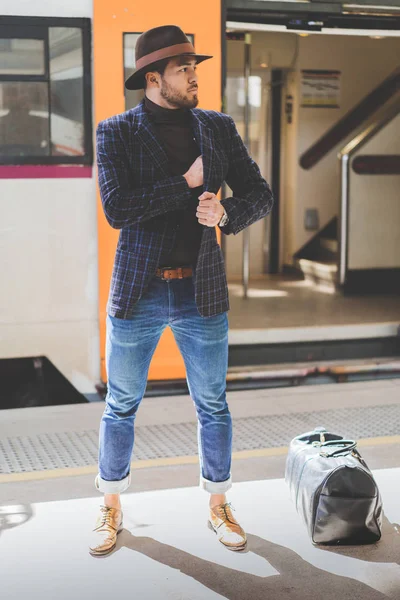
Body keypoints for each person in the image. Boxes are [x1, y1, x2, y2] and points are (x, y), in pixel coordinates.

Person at [89, 25, 273, 556]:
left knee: (213, 404)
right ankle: (110, 507)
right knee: (121, 405)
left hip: (202, 291)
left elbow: (259, 194)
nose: (195, 76)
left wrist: (226, 213)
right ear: (154, 78)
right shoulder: (116, 132)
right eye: (183, 69)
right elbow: (118, 209)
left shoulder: (217, 127)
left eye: (195, 67)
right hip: (138, 292)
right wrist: (188, 185)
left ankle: (219, 507)